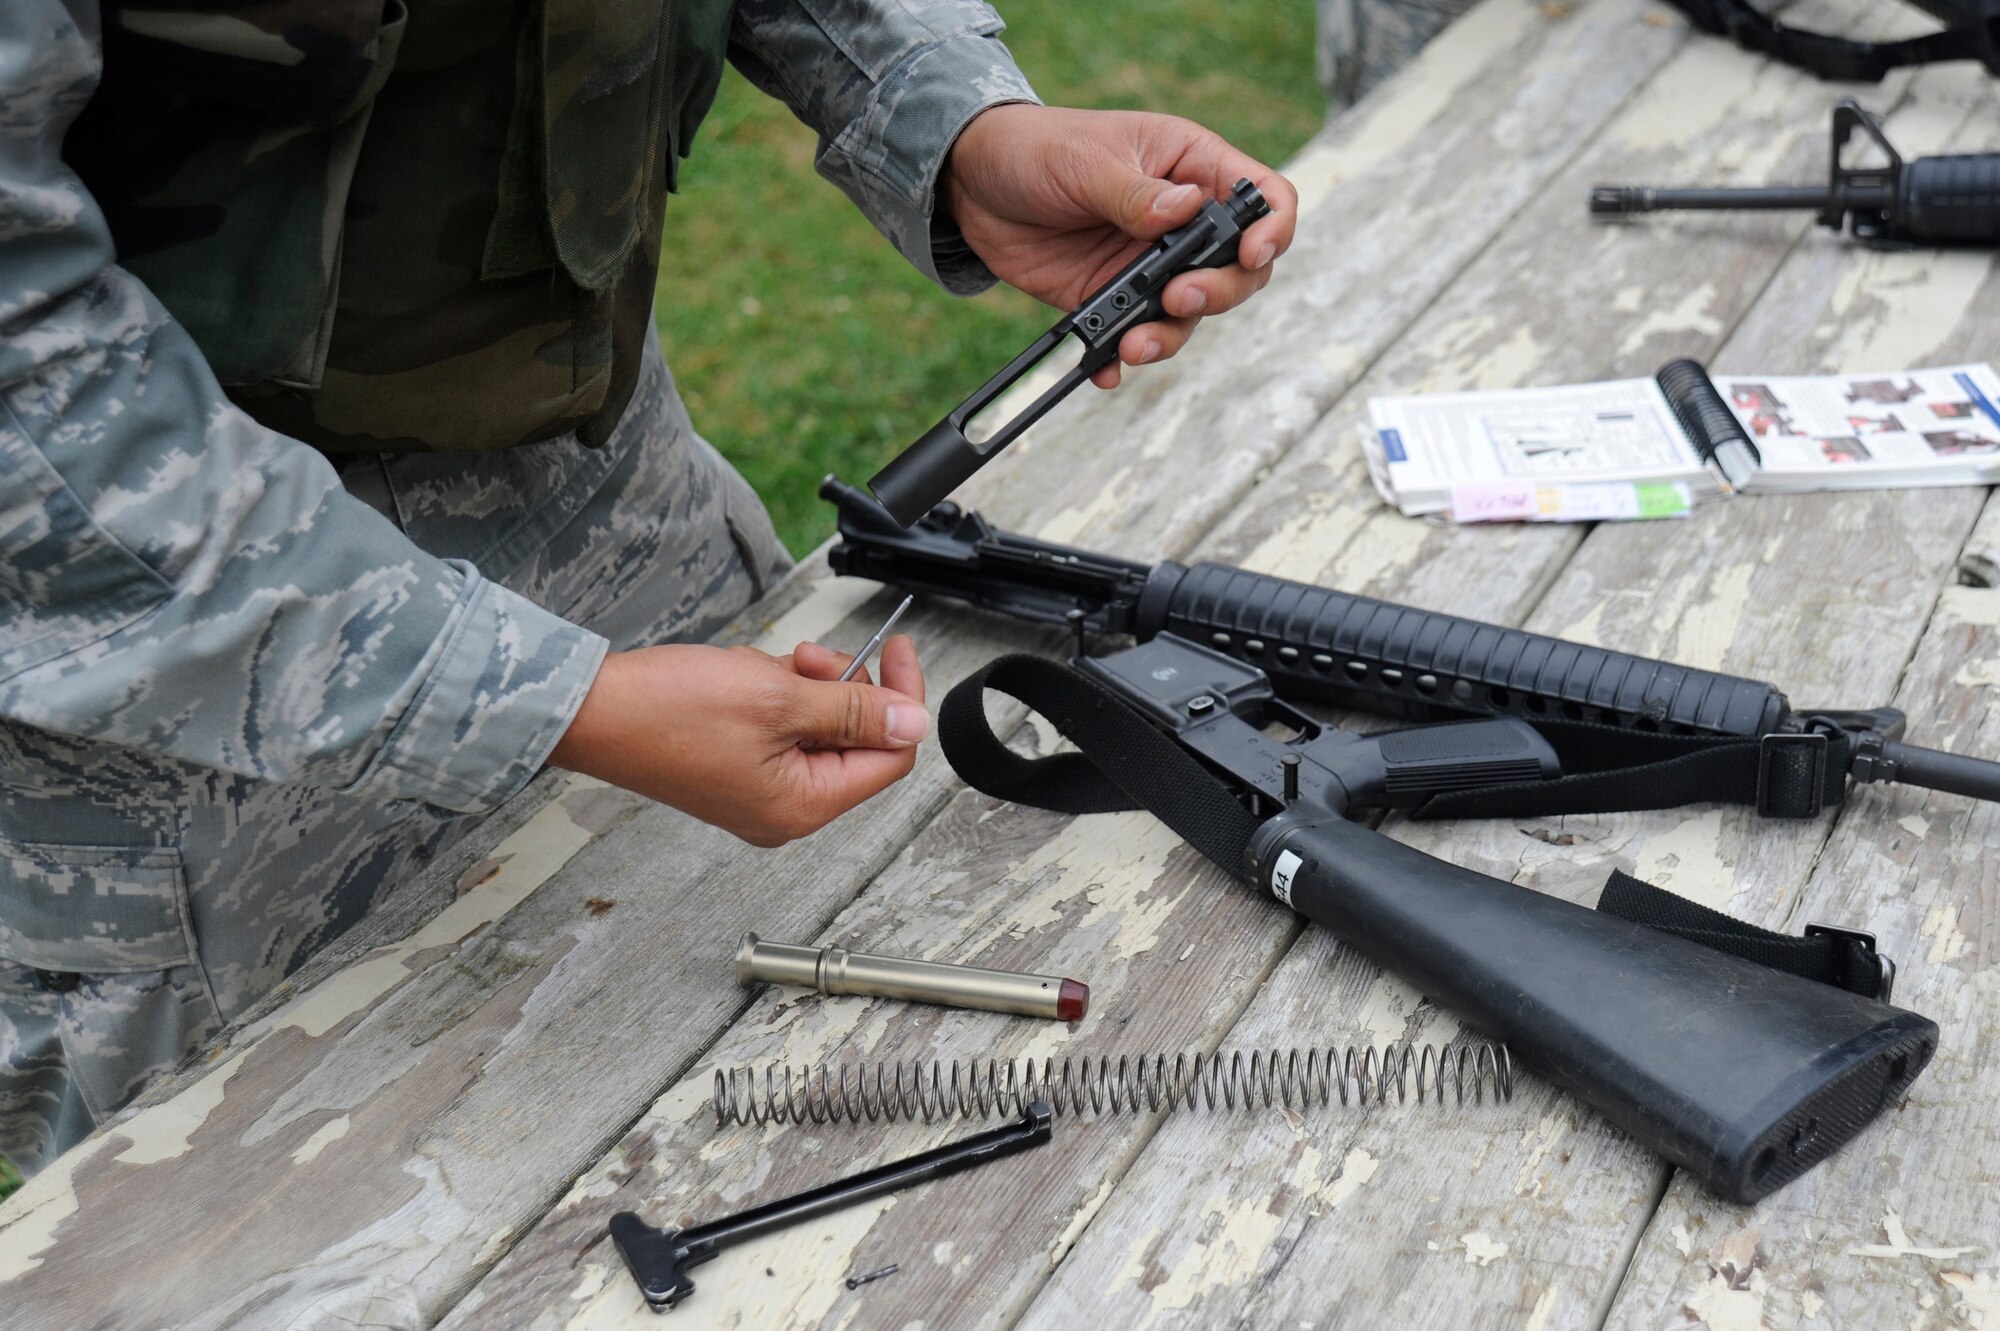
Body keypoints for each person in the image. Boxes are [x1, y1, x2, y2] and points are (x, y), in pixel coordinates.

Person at [0, 0, 1298, 1180]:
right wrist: (549, 702)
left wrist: (957, 116)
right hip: (182, 679)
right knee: (267, 1221)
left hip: (617, 503)